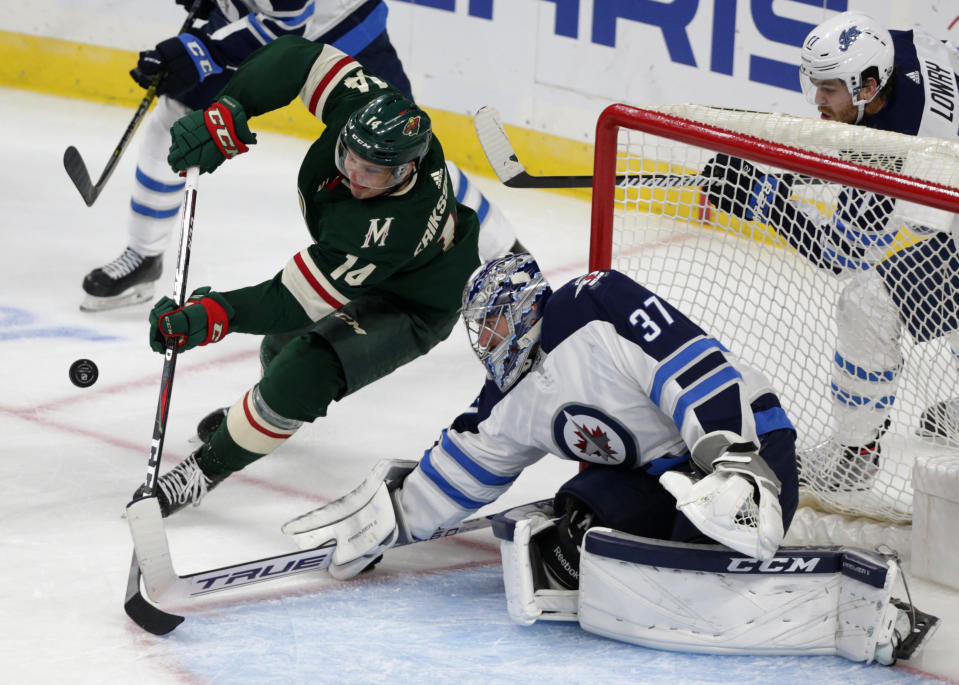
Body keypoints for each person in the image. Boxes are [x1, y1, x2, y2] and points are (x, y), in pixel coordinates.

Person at [277, 255, 932, 664]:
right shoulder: (505, 396)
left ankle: (863, 609)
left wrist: (734, 462)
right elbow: (466, 463)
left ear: (525, 308)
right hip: (654, 477)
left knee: (706, 567)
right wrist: (396, 515)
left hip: (743, 446)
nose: (489, 343)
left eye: (497, 326)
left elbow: (695, 369)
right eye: (482, 334)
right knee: (581, 531)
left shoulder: (597, 305)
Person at [134, 35, 482, 515]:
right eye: (350, 159)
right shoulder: (375, 111)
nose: (356, 177)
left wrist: (215, 313)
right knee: (278, 350)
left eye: (374, 173)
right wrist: (232, 107)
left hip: (413, 303)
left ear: (406, 169)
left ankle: (204, 470)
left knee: (302, 370)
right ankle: (260, 416)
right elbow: (301, 57)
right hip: (382, 268)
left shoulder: (385, 227)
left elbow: (291, 301)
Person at [81, 0, 518, 312]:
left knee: (407, 158)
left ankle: (506, 253)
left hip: (341, 27)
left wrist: (204, 50)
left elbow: (286, 26)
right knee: (175, 119)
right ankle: (144, 254)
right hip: (258, 17)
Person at [702, 11, 959, 488]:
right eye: (814, 84)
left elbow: (843, 255)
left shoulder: (905, 142)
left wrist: (766, 203)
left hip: (944, 182)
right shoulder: (893, 49)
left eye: (830, 89)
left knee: (870, 300)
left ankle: (854, 455)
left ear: (866, 86)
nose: (818, 100)